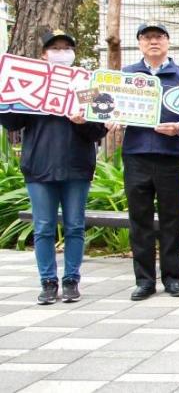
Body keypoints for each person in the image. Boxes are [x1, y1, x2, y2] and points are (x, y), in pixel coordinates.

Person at [0, 29, 107, 304]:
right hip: (39, 167)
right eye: (55, 48)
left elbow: (99, 131)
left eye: (66, 48)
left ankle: (72, 279)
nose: (61, 53)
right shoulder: (30, 83)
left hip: (77, 167)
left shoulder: (86, 84)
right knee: (44, 227)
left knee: (74, 226)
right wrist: (9, 93)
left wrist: (84, 122)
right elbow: (12, 122)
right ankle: (48, 281)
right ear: (43, 55)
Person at [119, 23, 179, 301]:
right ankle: (144, 280)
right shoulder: (126, 75)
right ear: (139, 43)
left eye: (159, 37)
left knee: (172, 219)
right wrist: (111, 118)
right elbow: (107, 104)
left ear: (168, 42)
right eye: (147, 37)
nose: (153, 42)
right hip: (136, 154)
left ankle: (173, 278)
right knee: (139, 219)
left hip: (171, 156)